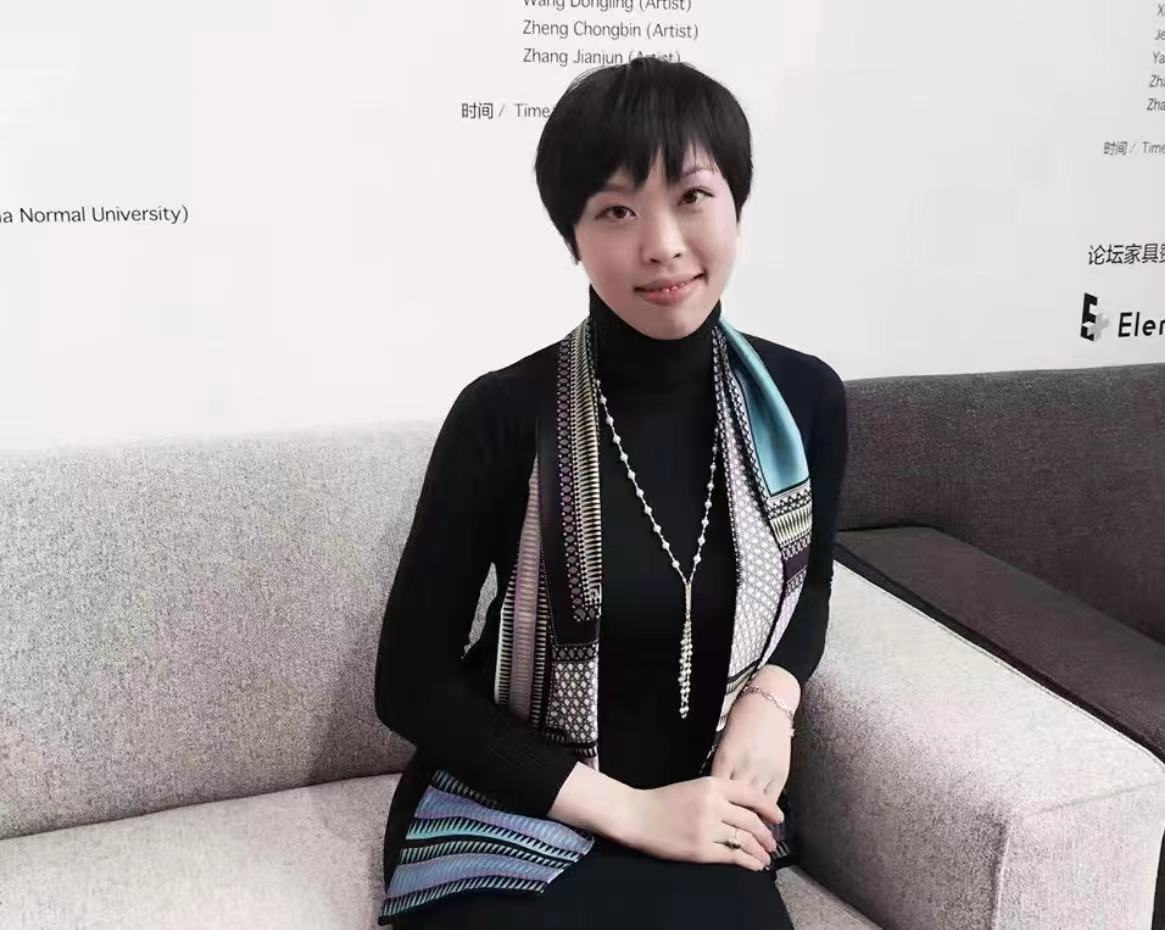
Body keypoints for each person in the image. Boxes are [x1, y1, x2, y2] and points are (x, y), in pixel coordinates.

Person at [374, 56, 848, 929]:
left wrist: (772, 699)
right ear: (573, 236)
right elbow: (409, 683)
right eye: (617, 211)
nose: (661, 243)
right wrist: (631, 812)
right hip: (515, 806)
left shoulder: (801, 401)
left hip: (701, 804)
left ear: (737, 205)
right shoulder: (503, 413)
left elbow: (810, 584)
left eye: (692, 196)